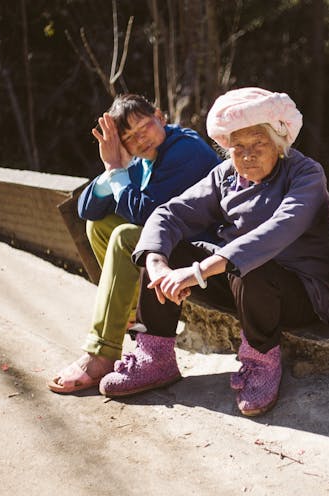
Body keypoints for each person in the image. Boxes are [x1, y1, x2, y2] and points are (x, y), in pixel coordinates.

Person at [97, 87, 329, 416]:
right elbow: (169, 214)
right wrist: (157, 264)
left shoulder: (306, 174)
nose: (247, 155)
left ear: (280, 143)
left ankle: (261, 362)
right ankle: (154, 355)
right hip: (238, 285)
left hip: (298, 294)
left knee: (254, 266)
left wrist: (198, 271)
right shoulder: (226, 175)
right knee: (167, 247)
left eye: (258, 144)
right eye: (238, 147)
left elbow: (275, 233)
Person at [48, 94, 219, 393]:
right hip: (174, 244)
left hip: (204, 250)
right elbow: (86, 210)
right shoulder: (141, 160)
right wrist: (112, 169)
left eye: (143, 128)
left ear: (160, 117)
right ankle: (129, 315)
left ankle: (103, 351)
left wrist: (117, 172)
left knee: (126, 236)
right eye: (128, 138)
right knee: (99, 226)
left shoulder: (185, 150)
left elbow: (145, 213)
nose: (140, 140)